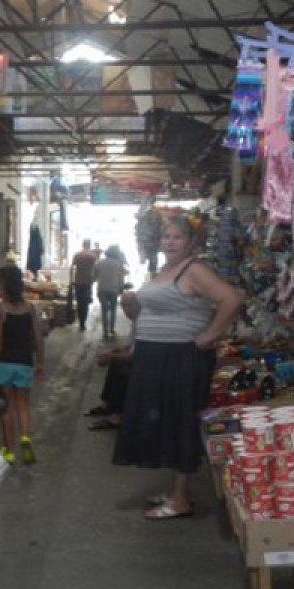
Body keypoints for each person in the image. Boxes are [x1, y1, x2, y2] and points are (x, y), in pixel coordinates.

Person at [114, 217, 243, 520]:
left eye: (177, 237)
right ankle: (176, 491)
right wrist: (132, 306)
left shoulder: (194, 269)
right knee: (166, 423)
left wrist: (210, 334)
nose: (170, 242)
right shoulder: (165, 271)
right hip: (155, 357)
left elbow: (232, 298)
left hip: (180, 357)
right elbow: (151, 312)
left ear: (191, 242)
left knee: (179, 421)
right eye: (165, 236)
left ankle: (180, 499)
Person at [0, 265, 46, 465]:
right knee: (23, 404)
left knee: (6, 408)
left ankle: (9, 451)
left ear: (3, 283)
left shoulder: (0, 308)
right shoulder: (30, 308)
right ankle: (25, 439)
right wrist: (40, 361)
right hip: (25, 363)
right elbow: (38, 336)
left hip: (5, 363)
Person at [93, 245, 128, 339]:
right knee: (113, 309)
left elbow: (94, 276)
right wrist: (121, 287)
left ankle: (105, 331)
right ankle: (111, 329)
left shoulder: (99, 262)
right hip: (113, 289)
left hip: (102, 289)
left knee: (104, 310)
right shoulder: (118, 264)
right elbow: (122, 276)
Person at [70, 239, 97, 331]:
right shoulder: (92, 256)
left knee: (79, 301)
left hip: (78, 281)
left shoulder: (77, 255)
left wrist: (71, 280)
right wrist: (93, 280)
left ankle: (80, 321)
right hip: (88, 282)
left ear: (82, 244)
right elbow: (95, 269)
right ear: (89, 245)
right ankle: (83, 323)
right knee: (85, 302)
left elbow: (72, 268)